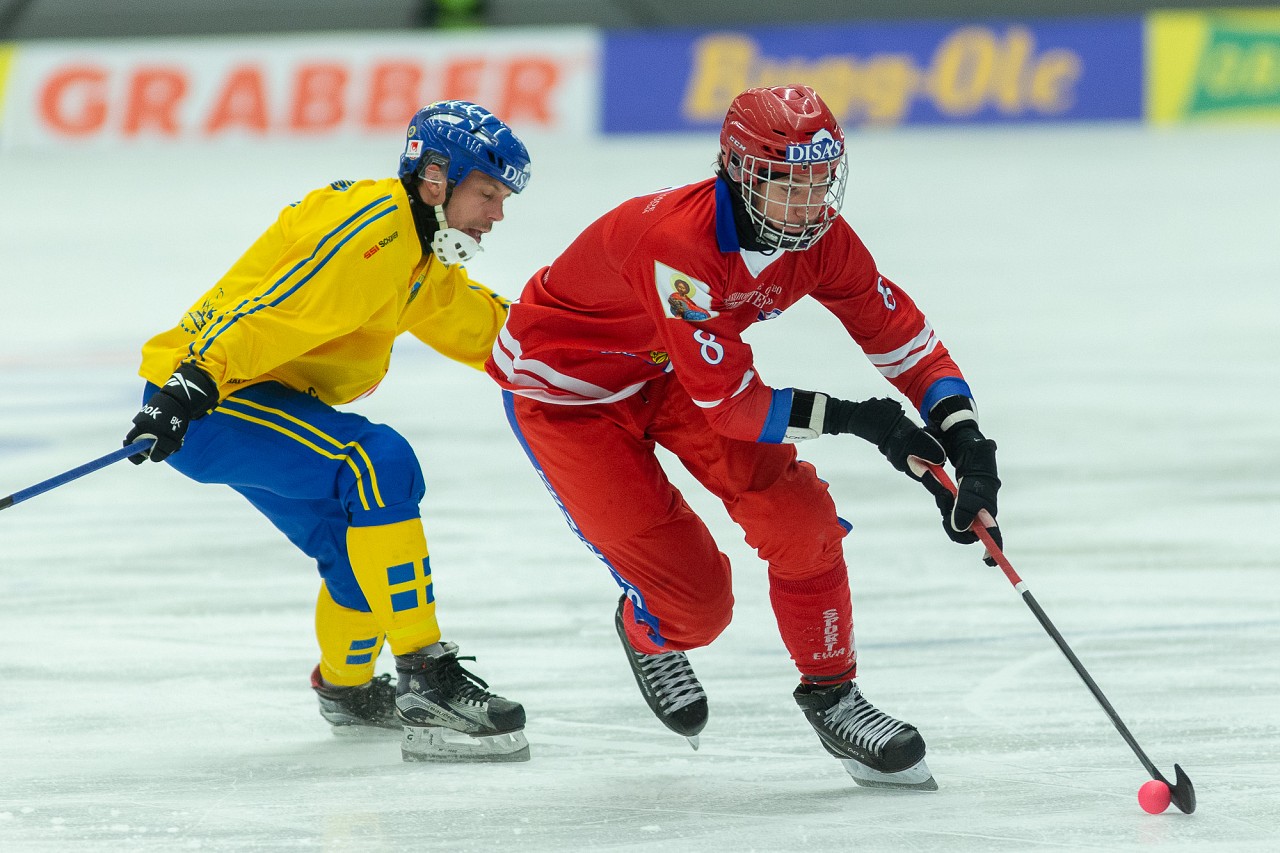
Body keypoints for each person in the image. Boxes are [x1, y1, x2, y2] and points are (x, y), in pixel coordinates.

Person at [485, 84, 1001, 788]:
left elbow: (903, 340)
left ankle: (834, 694)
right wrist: (864, 420)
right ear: (738, 173)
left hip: (669, 368)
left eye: (821, 182)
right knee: (697, 609)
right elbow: (731, 406)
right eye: (788, 183)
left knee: (800, 517)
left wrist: (968, 439)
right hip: (568, 397)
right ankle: (648, 623)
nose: (809, 204)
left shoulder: (822, 240)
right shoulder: (678, 246)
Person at [124, 100, 533, 763]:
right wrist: (193, 379)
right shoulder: (373, 233)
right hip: (214, 397)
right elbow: (269, 308)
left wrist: (596, 344)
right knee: (377, 462)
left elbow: (478, 322)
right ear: (437, 177)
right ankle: (426, 677)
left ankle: (345, 691)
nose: (498, 213)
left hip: (248, 393)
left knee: (359, 548)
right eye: (488, 192)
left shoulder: (416, 251)